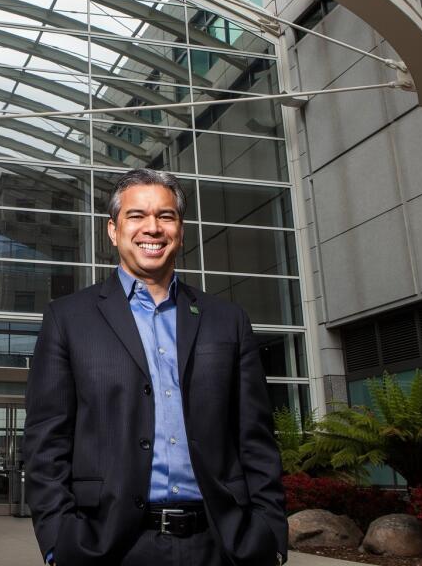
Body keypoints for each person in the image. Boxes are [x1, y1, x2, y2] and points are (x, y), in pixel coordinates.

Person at [23, 168, 287, 566]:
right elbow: (46, 443)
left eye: (166, 216)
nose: (153, 228)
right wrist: (60, 542)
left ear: (180, 230)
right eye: (137, 216)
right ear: (113, 230)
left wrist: (270, 537)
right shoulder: (68, 319)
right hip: (109, 547)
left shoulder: (227, 319)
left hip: (222, 544)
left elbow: (256, 439)